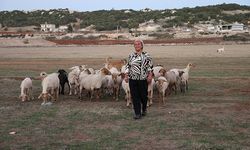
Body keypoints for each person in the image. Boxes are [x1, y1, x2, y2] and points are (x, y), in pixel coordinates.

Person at [124, 39, 153, 120]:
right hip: (133, 79)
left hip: (143, 79)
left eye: (138, 44)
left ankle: (144, 109)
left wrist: (150, 76)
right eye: (135, 44)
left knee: (143, 96)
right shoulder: (131, 55)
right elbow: (128, 66)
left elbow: (150, 66)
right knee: (135, 96)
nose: (137, 45)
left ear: (142, 45)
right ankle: (137, 113)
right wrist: (126, 75)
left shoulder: (147, 55)